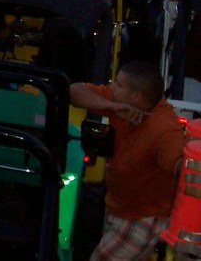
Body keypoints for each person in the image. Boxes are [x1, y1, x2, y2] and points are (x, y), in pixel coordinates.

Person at [70, 60, 187, 261]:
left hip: (143, 217)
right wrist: (112, 106)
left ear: (136, 96)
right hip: (119, 206)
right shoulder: (122, 103)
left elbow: (178, 164)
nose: (112, 87)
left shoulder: (164, 130)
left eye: (119, 85)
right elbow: (73, 91)